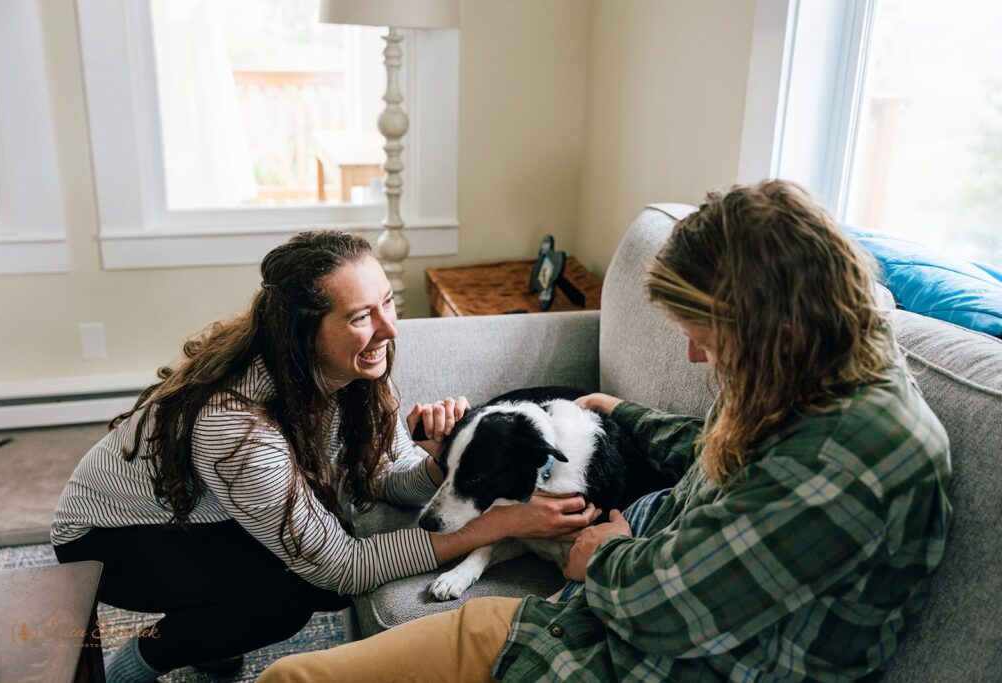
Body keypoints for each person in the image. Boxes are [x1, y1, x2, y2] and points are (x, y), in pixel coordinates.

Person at [257, 180, 953, 682]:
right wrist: (622, 412)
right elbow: (719, 455)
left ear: (777, 327)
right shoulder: (812, 377)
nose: (694, 357)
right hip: (578, 624)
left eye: (706, 335)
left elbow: (669, 609)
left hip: (627, 653)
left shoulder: (851, 460)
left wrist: (604, 553)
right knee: (286, 678)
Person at [51, 230, 600, 683]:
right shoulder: (235, 425)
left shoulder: (357, 371)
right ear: (302, 334)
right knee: (296, 589)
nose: (389, 328)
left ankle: (213, 640)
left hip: (211, 513)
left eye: (386, 301)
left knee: (306, 554)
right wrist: (495, 525)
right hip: (111, 539)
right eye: (361, 316)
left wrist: (442, 462)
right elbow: (343, 569)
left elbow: (384, 477)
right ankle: (143, 659)